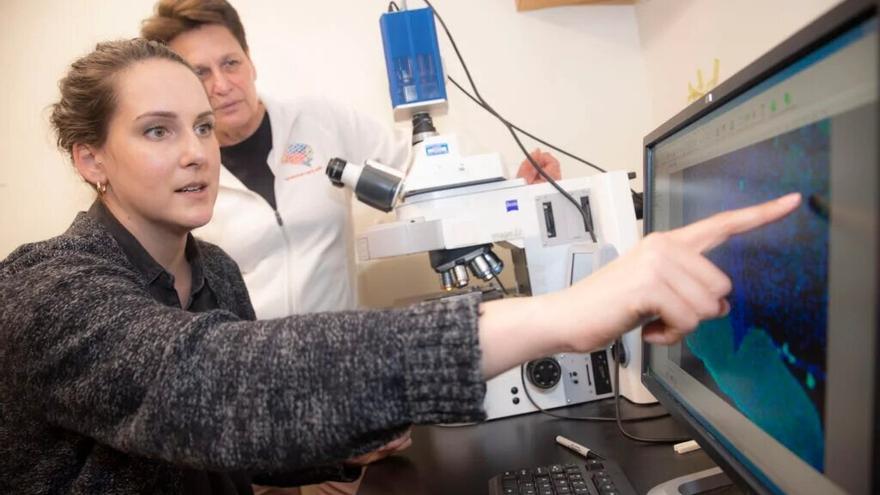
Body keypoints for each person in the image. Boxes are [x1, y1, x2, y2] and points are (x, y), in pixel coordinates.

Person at [0, 38, 801, 495]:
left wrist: (348, 447)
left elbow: (238, 440)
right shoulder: (46, 288)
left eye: (205, 128)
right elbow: (215, 387)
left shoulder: (213, 272)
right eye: (157, 131)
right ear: (89, 157)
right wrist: (565, 313)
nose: (196, 153)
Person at [139, 0, 562, 320]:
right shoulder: (181, 168)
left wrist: (509, 188)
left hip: (340, 361)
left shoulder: (321, 121)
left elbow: (417, 175)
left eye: (230, 62)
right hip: (246, 378)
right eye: (200, 73)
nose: (222, 84)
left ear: (250, 61)